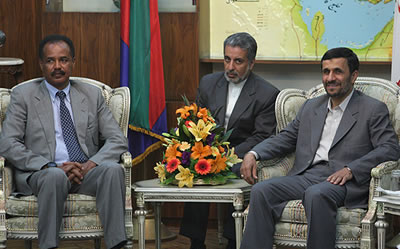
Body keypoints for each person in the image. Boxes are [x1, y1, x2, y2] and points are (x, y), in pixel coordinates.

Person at [239, 47, 400, 249]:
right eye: (326, 72)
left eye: (338, 72)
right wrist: (253, 153)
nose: (330, 78)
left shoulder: (373, 109)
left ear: (354, 76)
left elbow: (389, 148)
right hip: (307, 175)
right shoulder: (310, 106)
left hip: (343, 182)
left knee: (316, 194)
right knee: (261, 190)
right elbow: (286, 138)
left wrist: (351, 169)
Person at [0, 34, 128, 249]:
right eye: (50, 60)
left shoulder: (92, 95)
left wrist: (91, 164)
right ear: (41, 64)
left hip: (85, 172)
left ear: (73, 62)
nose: (57, 66)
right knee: (54, 176)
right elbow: (8, 143)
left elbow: (117, 139)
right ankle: (48, 246)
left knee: (113, 170)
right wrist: (50, 165)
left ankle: (118, 244)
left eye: (64, 60)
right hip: (42, 172)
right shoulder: (24, 95)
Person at [180, 32, 280, 249]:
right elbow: (197, 120)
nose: (230, 67)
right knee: (195, 168)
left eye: (238, 61)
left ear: (251, 63)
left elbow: (262, 135)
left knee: (233, 169)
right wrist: (206, 150)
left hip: (241, 152)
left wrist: (226, 156)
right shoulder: (208, 83)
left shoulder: (267, 93)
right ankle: (195, 241)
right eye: (227, 59)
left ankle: (232, 240)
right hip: (208, 149)